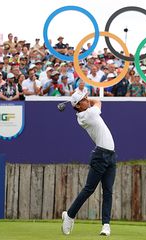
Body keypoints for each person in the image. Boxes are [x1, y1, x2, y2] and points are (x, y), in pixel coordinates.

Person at [62, 91, 116, 237]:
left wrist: (82, 98)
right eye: (84, 100)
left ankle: (106, 225)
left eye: (86, 98)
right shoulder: (88, 114)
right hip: (101, 156)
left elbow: (94, 102)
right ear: (78, 106)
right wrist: (88, 99)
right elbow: (98, 101)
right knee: (89, 189)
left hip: (111, 155)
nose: (87, 100)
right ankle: (70, 215)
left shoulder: (86, 112)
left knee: (108, 191)